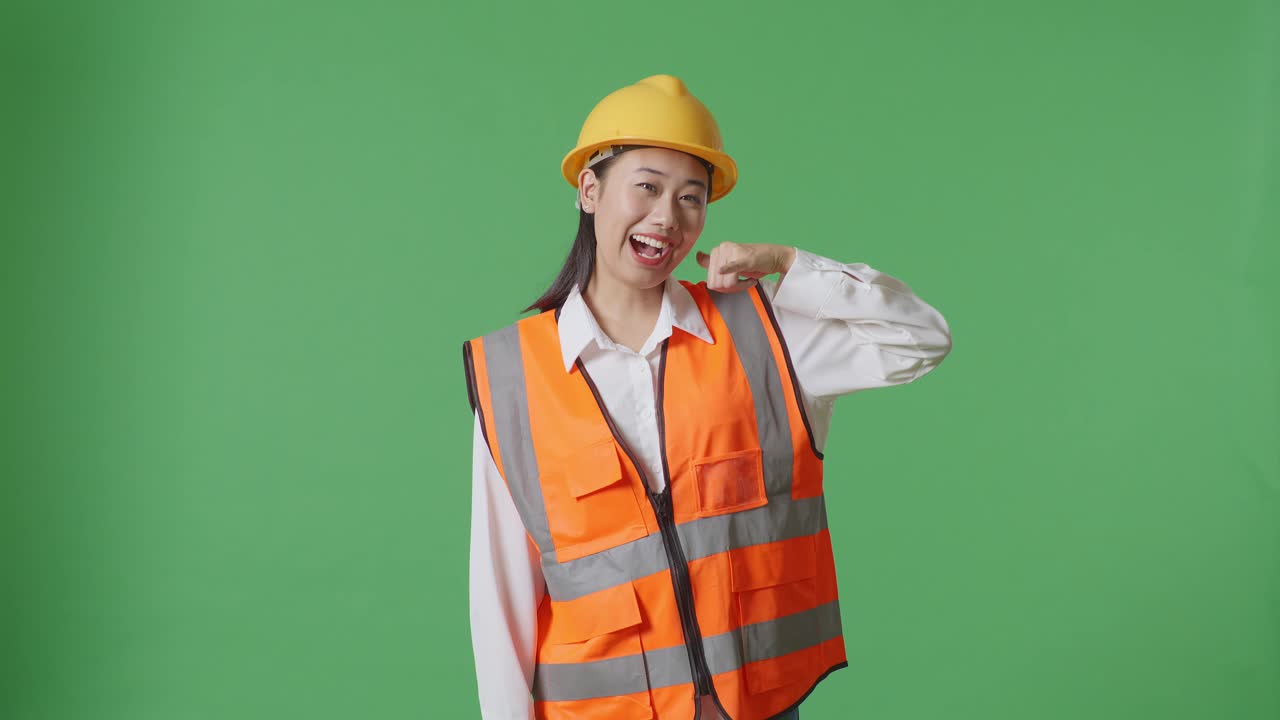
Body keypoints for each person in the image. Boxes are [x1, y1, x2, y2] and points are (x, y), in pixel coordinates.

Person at [463, 74, 952, 720]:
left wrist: (790, 265)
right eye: (647, 187)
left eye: (691, 198)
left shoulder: (764, 334)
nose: (668, 218)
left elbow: (921, 337)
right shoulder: (513, 377)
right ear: (589, 190)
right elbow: (500, 597)